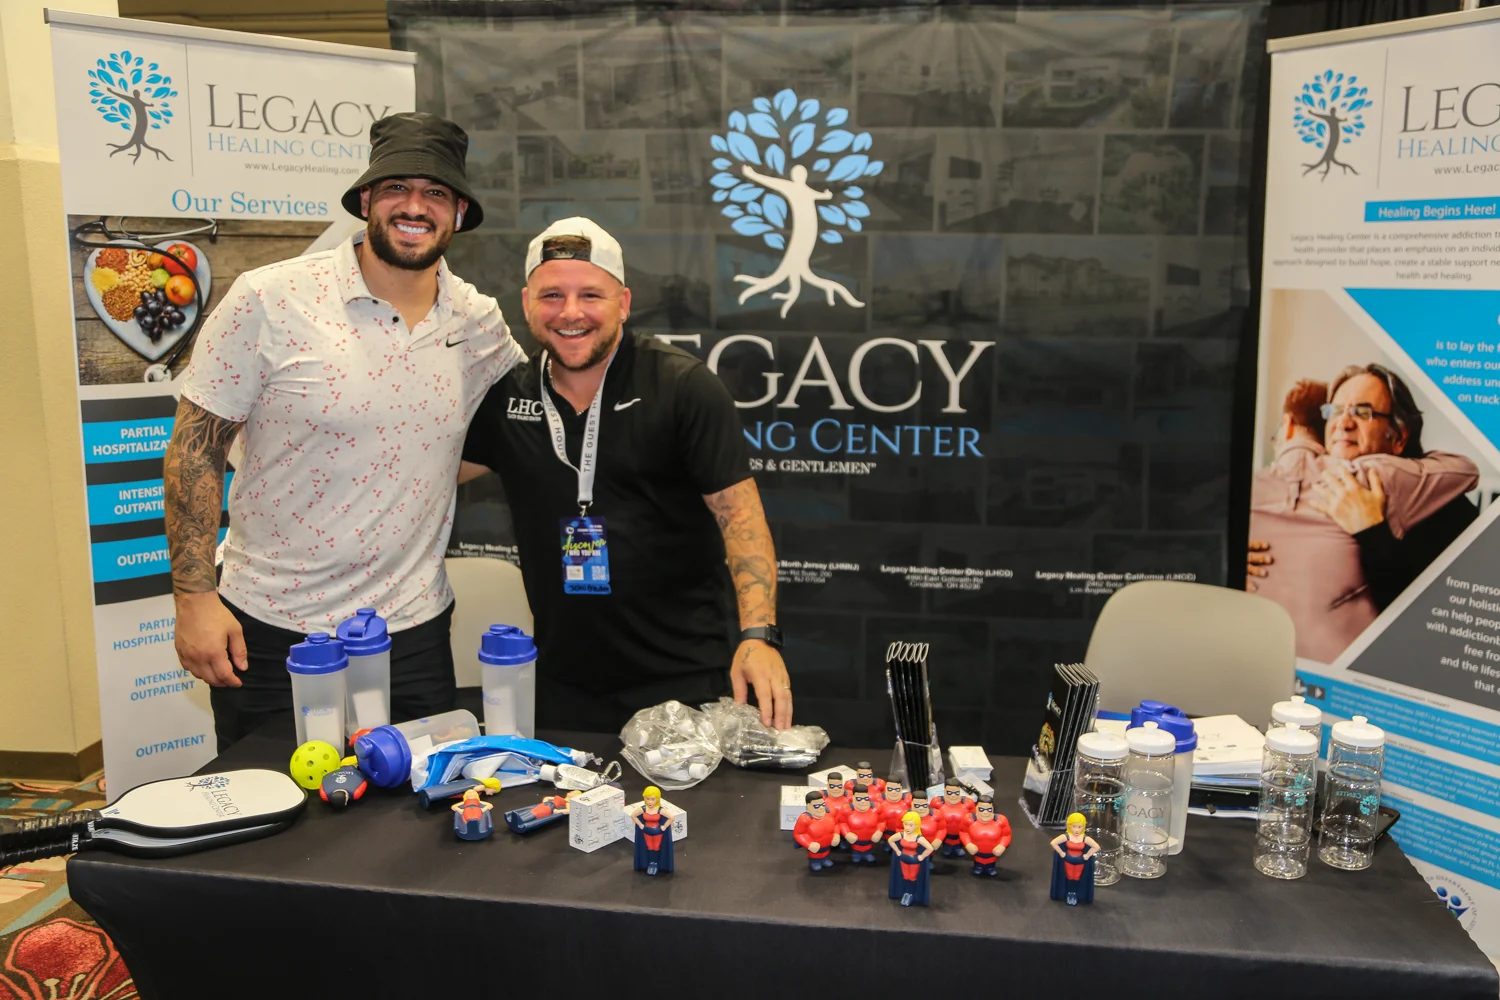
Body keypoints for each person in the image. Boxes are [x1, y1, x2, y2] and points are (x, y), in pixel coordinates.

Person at [164, 112, 523, 750]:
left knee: (414, 827)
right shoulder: (269, 298)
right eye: (395, 190)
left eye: (436, 193)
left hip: (413, 631)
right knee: (271, 818)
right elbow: (195, 452)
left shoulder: (477, 320)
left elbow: (520, 424)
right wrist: (194, 598)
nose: (415, 207)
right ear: (366, 201)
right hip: (272, 629)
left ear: (459, 213)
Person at [459, 217, 790, 732]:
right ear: (526, 303)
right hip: (559, 687)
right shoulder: (508, 398)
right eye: (552, 296)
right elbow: (424, 478)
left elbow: (740, 517)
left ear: (624, 303)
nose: (571, 313)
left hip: (681, 682)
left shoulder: (682, 387)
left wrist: (759, 637)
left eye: (591, 294)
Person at [1248, 366, 1478, 662]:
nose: (1343, 423)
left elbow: (1433, 623)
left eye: (1362, 412)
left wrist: (1371, 530)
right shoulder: (1291, 484)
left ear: (1397, 438)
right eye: (1336, 410)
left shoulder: (1444, 508)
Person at [1050, 812, 1100, 905]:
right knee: (1069, 876)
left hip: (1080, 861)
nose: (1077, 830)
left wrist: (1087, 855)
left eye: (1079, 827)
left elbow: (1096, 846)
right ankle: (1070, 893)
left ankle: (1074, 893)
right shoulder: (1067, 836)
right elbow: (1053, 842)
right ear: (1069, 826)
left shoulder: (1084, 838)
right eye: (1074, 826)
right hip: (1068, 859)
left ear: (1083, 827)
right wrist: (1062, 853)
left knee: (1076, 877)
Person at [887, 811, 935, 908]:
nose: (908, 827)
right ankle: (906, 893)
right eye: (906, 824)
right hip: (903, 859)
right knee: (905, 877)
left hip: (914, 861)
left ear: (917, 825)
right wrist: (897, 851)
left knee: (912, 878)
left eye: (911, 825)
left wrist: (922, 856)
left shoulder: (918, 838)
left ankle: (910, 894)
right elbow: (890, 840)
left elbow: (930, 848)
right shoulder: (902, 834)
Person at [961, 795, 1012, 878]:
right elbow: (963, 832)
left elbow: (1006, 835)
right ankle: (978, 867)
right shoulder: (969, 819)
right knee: (978, 862)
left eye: (989, 809)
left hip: (992, 853)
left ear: (993, 808)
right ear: (976, 808)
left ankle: (990, 868)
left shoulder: (1001, 820)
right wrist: (968, 844)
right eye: (982, 809)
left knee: (991, 862)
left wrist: (1001, 846)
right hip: (977, 852)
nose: (985, 812)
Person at [632, 786, 675, 876]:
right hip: (646, 831)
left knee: (656, 847)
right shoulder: (643, 809)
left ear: (657, 799)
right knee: (649, 847)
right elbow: (633, 815)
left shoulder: (660, 809)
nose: (650, 802)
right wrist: (640, 825)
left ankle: (655, 863)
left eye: (652, 799)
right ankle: (650, 863)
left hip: (657, 832)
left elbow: (671, 817)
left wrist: (664, 827)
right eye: (647, 799)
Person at [793, 790, 840, 872]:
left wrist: (836, 835)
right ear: (808, 806)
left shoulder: (830, 813)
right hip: (814, 848)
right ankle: (815, 862)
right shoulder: (805, 819)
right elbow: (799, 834)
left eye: (822, 804)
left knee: (825, 853)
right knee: (815, 856)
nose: (821, 808)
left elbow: (836, 824)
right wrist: (809, 844)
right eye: (816, 806)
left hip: (827, 845)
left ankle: (824, 860)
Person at [841, 782, 886, 865]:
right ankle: (856, 855)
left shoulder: (876, 808)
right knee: (856, 850)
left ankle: (867, 854)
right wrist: (847, 834)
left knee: (868, 848)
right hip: (855, 841)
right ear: (853, 797)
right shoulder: (847, 809)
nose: (862, 802)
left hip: (870, 839)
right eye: (859, 799)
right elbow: (842, 823)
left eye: (865, 798)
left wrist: (879, 831)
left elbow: (882, 821)